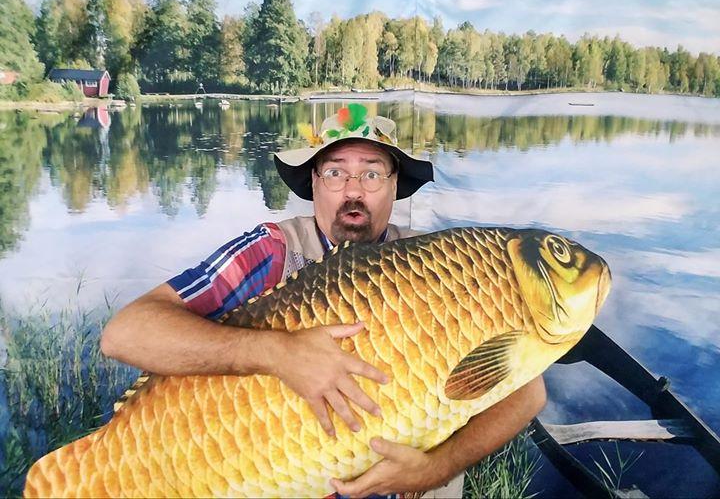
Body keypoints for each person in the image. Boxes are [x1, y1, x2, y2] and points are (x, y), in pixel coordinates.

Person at [100, 103, 546, 497]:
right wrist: (277, 352)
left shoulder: (439, 264)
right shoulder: (272, 251)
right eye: (335, 172)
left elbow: (527, 393)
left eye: (371, 172)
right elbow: (127, 334)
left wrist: (437, 468)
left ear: (395, 187)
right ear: (314, 183)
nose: (353, 190)